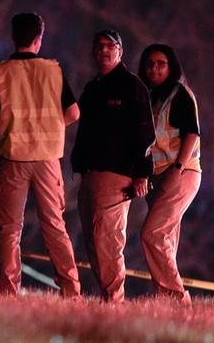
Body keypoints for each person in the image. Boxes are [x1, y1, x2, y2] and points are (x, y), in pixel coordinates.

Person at [0, 12, 81, 297]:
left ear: (13, 38)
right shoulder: (53, 70)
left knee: (9, 229)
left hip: (12, 157)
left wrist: (7, 134)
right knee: (55, 226)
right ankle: (71, 290)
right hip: (47, 158)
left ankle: (9, 290)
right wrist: (49, 127)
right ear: (39, 39)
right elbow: (73, 112)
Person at [70, 29, 155, 302]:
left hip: (117, 175)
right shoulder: (92, 88)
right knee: (93, 243)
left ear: (120, 51)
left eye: (110, 46)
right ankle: (108, 299)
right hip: (89, 174)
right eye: (99, 46)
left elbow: (146, 134)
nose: (104, 50)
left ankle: (115, 303)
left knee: (108, 242)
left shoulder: (133, 86)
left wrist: (142, 173)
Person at [137, 44, 201, 305]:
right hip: (156, 177)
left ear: (171, 66)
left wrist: (178, 169)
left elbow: (192, 134)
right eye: (150, 64)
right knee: (166, 240)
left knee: (151, 233)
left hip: (181, 173)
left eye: (160, 64)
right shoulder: (148, 96)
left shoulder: (180, 94)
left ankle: (176, 298)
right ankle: (166, 301)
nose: (154, 69)